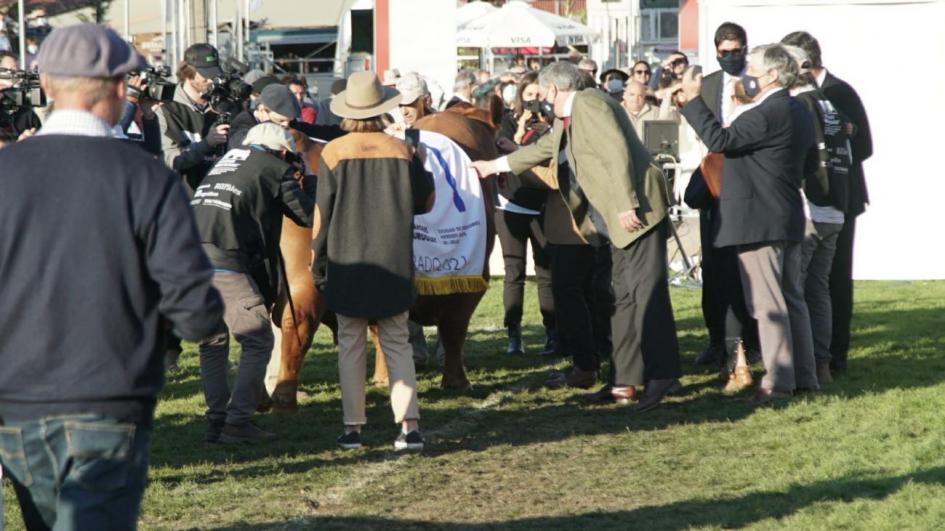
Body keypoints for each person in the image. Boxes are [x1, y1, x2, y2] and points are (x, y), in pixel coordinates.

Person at [0, 24, 223, 529]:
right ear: (122, 89)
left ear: (48, 86)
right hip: (108, 397)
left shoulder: (7, 171)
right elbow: (194, 308)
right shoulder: (145, 178)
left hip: (17, 402)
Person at [472, 62, 682, 412]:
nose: (540, 101)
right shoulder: (568, 118)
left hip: (636, 213)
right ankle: (623, 382)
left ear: (554, 90)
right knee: (623, 299)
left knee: (647, 295)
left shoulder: (588, 103)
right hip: (618, 218)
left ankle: (662, 376)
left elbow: (616, 151)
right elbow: (543, 151)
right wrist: (493, 166)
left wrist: (626, 203)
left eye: (541, 94)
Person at [678, 43, 820, 405]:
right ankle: (804, 377)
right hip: (786, 214)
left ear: (772, 74)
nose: (746, 73)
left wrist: (693, 100)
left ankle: (779, 381)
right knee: (792, 298)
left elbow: (719, 140)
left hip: (759, 221)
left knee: (768, 304)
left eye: (752, 67)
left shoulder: (766, 112)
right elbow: (807, 166)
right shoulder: (799, 110)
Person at [313, 71, 434, 451]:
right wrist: (421, 162)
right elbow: (423, 203)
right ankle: (409, 426)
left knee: (350, 344)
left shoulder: (333, 152)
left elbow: (322, 216)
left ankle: (353, 428)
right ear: (384, 108)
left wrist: (317, 262)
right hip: (394, 259)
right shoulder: (402, 150)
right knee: (397, 342)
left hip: (348, 259)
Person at [192, 122, 314, 444]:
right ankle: (238, 422)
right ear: (284, 151)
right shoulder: (275, 167)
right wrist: (307, 180)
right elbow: (307, 216)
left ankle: (217, 421)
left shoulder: (227, 162)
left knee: (213, 343)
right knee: (258, 339)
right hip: (225, 262)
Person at [781, 30, 872, 376]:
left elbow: (864, 145)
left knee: (830, 279)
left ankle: (833, 354)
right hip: (830, 197)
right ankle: (824, 357)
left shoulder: (838, 92)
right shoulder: (823, 97)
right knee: (820, 282)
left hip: (836, 197)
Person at [691, 22, 761, 374]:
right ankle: (717, 338)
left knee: (744, 268)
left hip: (745, 184)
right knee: (713, 267)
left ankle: (750, 340)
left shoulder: (756, 83)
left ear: (746, 49)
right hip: (713, 182)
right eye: (724, 53)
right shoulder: (707, 86)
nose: (731, 57)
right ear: (716, 52)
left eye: (737, 51)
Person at [782, 43, 846, 387]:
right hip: (835, 207)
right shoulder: (827, 101)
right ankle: (821, 364)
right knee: (818, 291)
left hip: (810, 208)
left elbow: (800, 158)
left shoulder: (801, 105)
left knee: (796, 291)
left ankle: (801, 369)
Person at [494, 71, 556, 357]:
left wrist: (543, 126)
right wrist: (519, 132)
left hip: (543, 204)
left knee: (545, 271)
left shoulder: (552, 125)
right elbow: (502, 158)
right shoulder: (508, 122)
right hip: (511, 204)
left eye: (538, 96)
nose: (533, 102)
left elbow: (553, 159)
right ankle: (513, 334)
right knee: (513, 271)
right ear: (520, 97)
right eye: (528, 96)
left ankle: (552, 332)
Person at [150, 43, 231, 192]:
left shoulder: (222, 105)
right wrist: (206, 144)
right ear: (188, 73)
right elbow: (170, 160)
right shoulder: (167, 108)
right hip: (184, 199)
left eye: (214, 74)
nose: (211, 80)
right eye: (205, 75)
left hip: (218, 195)